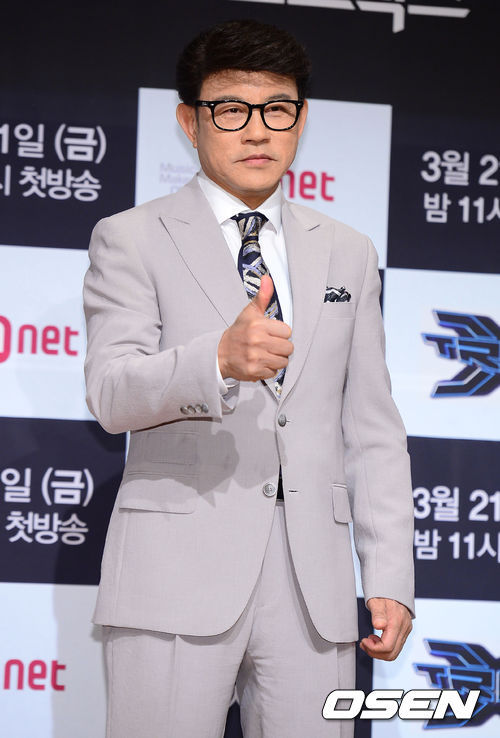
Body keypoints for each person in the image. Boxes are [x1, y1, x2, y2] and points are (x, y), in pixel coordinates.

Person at [83, 19, 414, 738]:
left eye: (277, 110)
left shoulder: (350, 252)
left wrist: (388, 575)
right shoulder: (130, 237)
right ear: (189, 121)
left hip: (313, 589)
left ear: (301, 119)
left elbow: (372, 428)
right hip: (173, 576)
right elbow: (111, 393)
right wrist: (217, 361)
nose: (257, 130)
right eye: (231, 109)